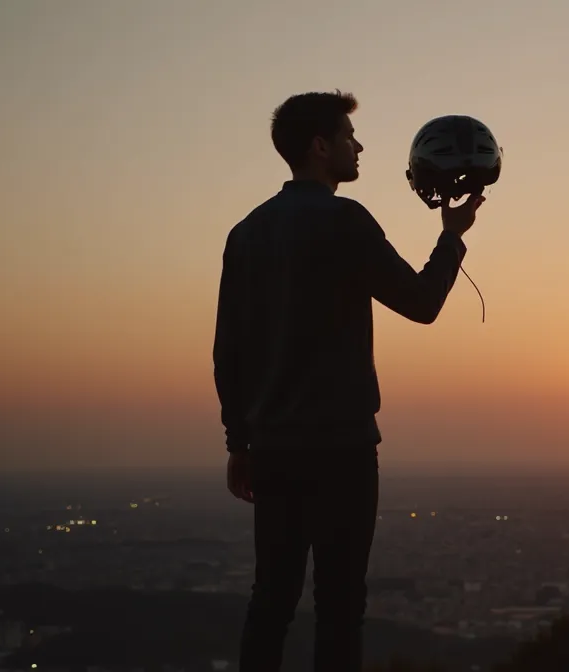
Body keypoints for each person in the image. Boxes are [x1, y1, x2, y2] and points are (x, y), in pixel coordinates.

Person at [212, 90, 485, 672]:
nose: (358, 147)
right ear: (320, 146)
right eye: (348, 137)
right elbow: (420, 303)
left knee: (272, 600)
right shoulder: (344, 220)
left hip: (274, 451)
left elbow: (227, 353)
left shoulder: (245, 233)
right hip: (342, 449)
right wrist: (453, 234)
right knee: (339, 606)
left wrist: (239, 443)